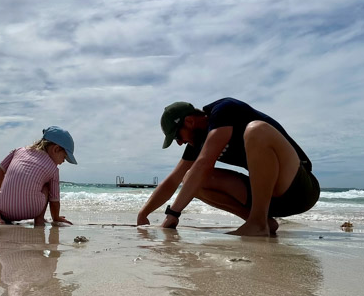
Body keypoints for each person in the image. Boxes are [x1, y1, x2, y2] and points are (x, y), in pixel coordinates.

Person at [136, 98, 319, 237]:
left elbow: (205, 163)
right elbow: (174, 180)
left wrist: (173, 213)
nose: (180, 143)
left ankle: (257, 222)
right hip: (267, 199)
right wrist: (144, 213)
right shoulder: (198, 141)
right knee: (190, 178)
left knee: (256, 130)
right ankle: (261, 221)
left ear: (190, 122)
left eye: (178, 136)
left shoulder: (224, 110)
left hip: (299, 187)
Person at [0, 126, 77, 226]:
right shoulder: (53, 169)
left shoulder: (18, 151)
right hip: (32, 210)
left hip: (5, 208)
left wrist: (0, 194)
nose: (63, 161)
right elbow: (54, 199)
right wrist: (56, 217)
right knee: (47, 186)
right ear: (55, 149)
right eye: (64, 157)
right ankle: (39, 219)